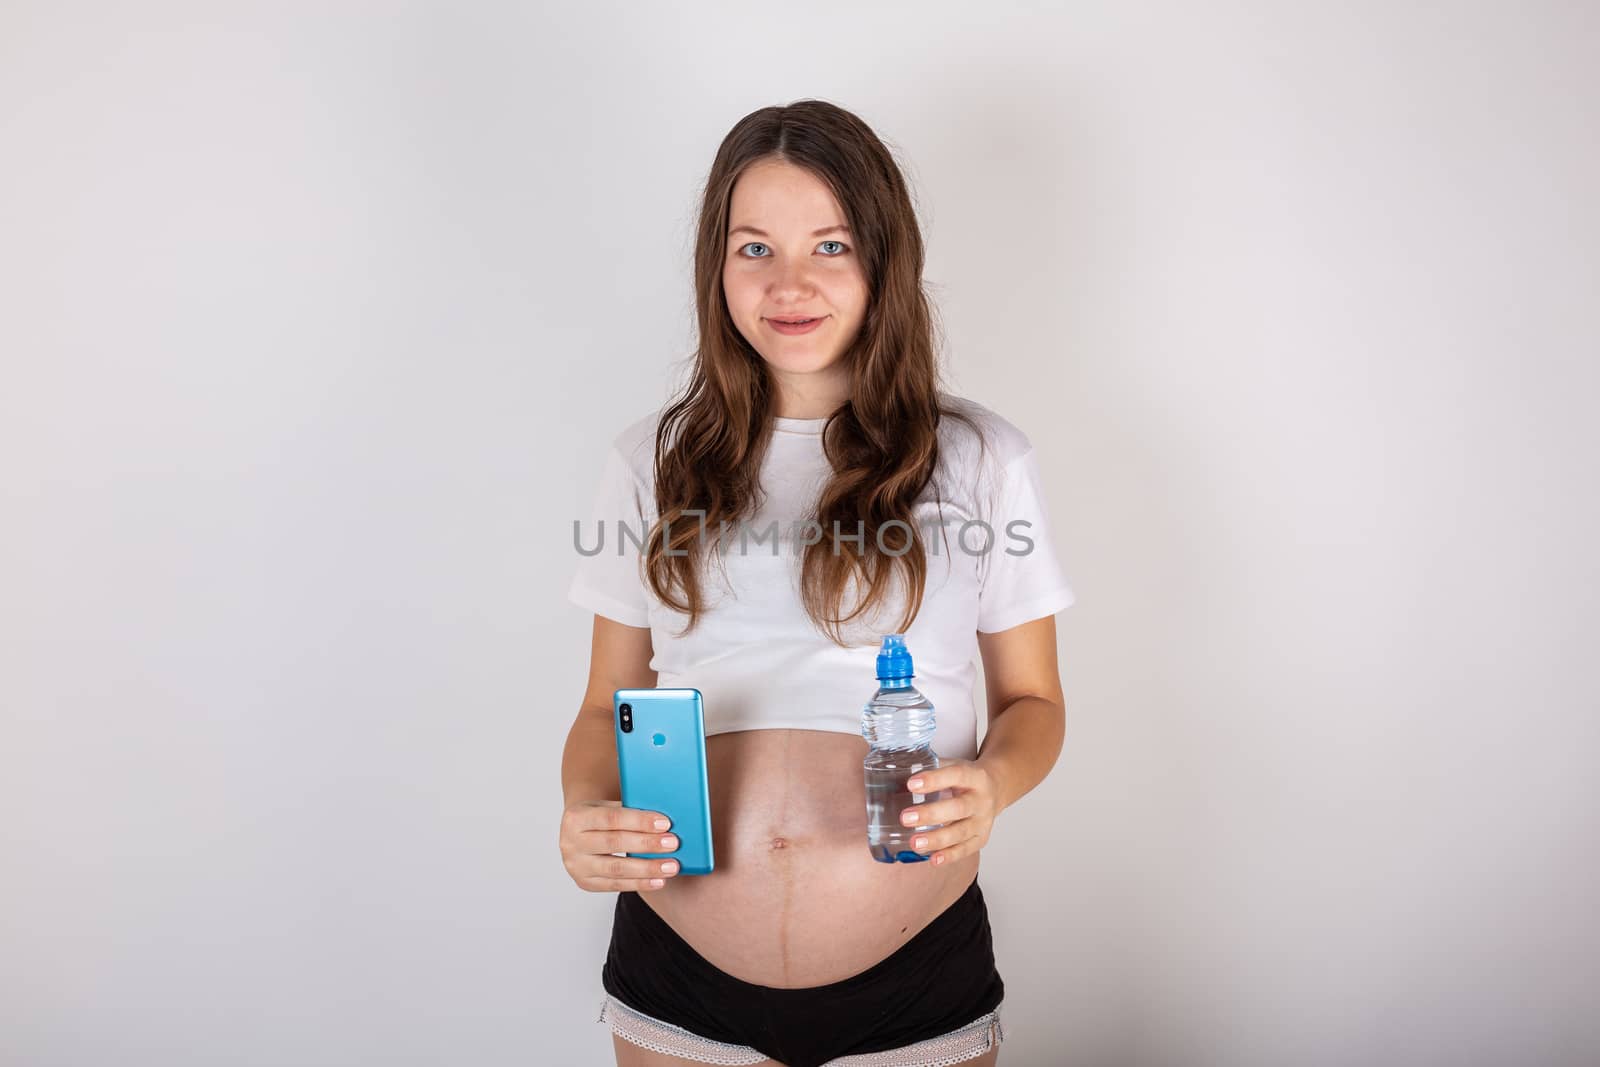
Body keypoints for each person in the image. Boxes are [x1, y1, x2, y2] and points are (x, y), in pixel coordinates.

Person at [559, 99, 1076, 1067]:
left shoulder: (980, 460)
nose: (788, 283)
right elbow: (600, 711)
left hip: (914, 975)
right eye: (754, 248)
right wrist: (586, 808)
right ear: (716, 266)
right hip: (677, 973)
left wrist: (992, 783)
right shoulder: (651, 462)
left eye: (829, 245)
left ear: (885, 260)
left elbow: (1035, 700)